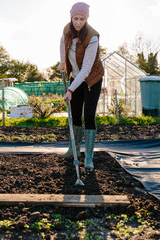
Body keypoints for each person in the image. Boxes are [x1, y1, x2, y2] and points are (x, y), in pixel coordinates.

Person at [58, 2, 104, 171]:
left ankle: (89, 157)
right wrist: (63, 61)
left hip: (91, 80)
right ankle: (73, 150)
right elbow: (62, 42)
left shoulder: (92, 37)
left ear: (86, 19)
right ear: (71, 18)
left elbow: (85, 70)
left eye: (82, 19)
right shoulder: (67, 30)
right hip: (75, 77)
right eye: (75, 18)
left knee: (89, 116)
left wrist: (70, 89)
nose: (78, 22)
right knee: (75, 115)